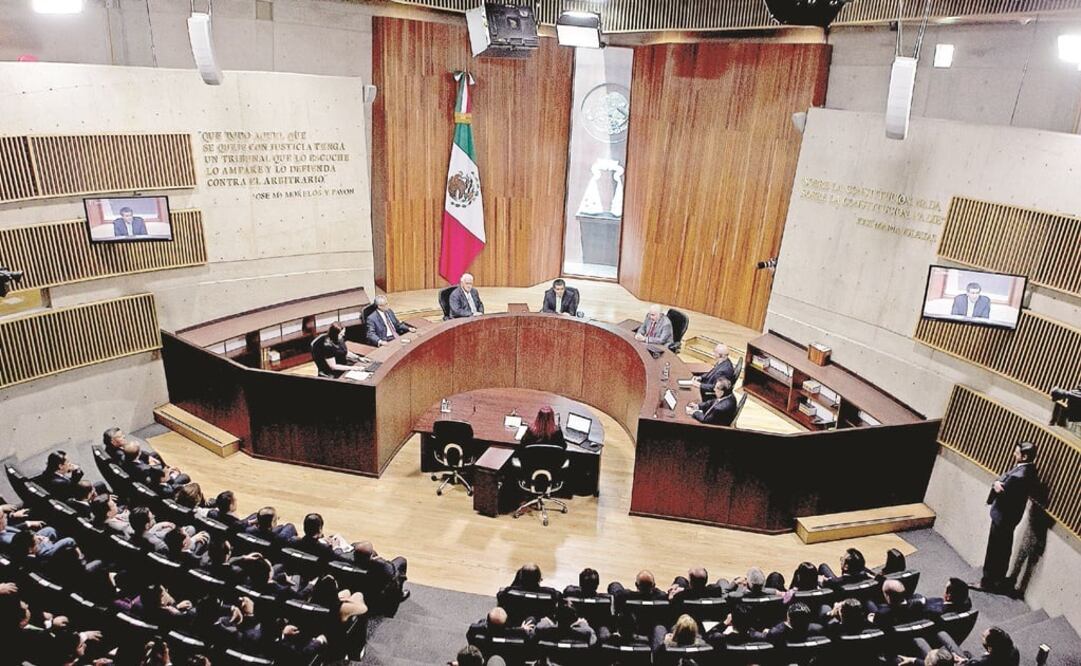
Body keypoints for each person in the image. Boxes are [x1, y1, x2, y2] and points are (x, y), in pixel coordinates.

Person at [979, 441, 1037, 594]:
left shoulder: (1019, 475)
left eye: (1017, 453)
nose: (1014, 454)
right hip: (1010, 518)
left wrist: (998, 487)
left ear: (1024, 456)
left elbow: (1008, 495)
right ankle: (997, 579)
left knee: (995, 550)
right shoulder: (1029, 469)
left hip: (1003, 517)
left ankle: (988, 581)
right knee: (1003, 549)